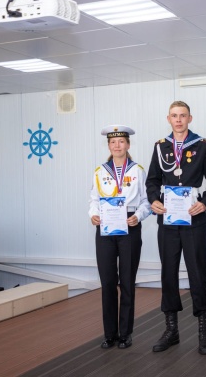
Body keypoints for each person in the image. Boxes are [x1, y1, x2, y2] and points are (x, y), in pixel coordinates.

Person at [146, 100, 206, 355]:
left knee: (198, 272)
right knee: (168, 273)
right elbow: (152, 181)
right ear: (169, 119)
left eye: (183, 115)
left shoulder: (202, 146)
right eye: (174, 116)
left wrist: (205, 203)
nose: (178, 120)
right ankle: (171, 330)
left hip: (193, 218)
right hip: (168, 220)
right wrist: (154, 200)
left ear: (190, 118)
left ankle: (204, 331)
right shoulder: (160, 146)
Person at [89, 125, 151, 350]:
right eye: (113, 142)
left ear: (128, 144)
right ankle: (109, 334)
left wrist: (138, 216)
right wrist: (93, 215)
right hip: (105, 228)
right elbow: (94, 199)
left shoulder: (137, 170)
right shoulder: (100, 171)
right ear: (108, 146)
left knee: (127, 281)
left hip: (129, 226)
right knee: (107, 282)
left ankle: (125, 333)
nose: (117, 146)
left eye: (121, 142)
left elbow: (146, 201)